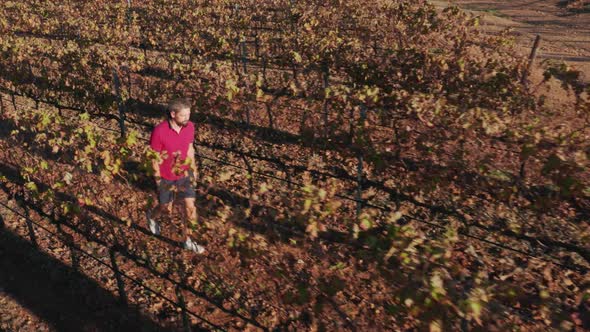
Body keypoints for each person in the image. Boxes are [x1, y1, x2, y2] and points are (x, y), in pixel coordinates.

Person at [146, 97, 205, 253]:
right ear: (173, 114)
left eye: (189, 114)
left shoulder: (190, 127)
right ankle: (152, 217)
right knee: (166, 208)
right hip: (166, 176)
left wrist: (193, 170)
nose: (187, 118)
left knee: (190, 208)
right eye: (183, 115)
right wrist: (158, 180)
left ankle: (188, 240)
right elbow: (154, 158)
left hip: (185, 174)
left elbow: (190, 149)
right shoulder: (159, 131)